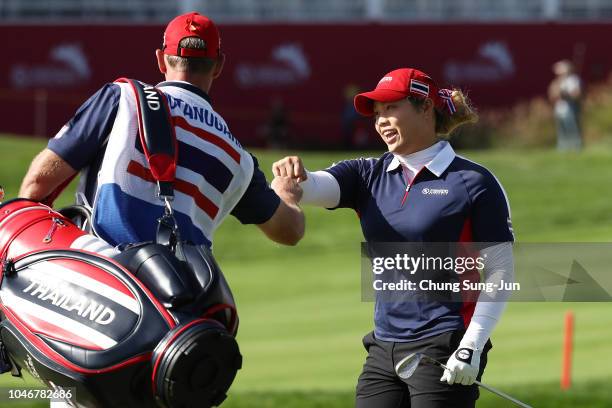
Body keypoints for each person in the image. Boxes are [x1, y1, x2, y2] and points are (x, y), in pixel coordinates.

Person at [271, 68, 514, 407]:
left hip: (445, 344)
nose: (381, 121)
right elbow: (315, 186)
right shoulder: (366, 174)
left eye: (391, 109)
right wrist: (292, 176)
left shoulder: (474, 182)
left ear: (425, 109)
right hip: (384, 347)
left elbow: (502, 271)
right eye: (377, 113)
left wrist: (472, 345)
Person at [19, 11, 304, 250]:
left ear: (160, 59)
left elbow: (36, 186)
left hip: (99, 291)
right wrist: (287, 192)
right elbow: (290, 230)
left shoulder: (122, 98)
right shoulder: (237, 158)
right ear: (218, 67)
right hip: (175, 305)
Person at [548, 59, 583, 151]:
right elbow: (552, 94)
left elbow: (576, 94)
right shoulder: (556, 82)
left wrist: (565, 94)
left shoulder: (573, 80)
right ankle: (562, 147)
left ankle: (576, 146)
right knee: (561, 129)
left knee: (572, 127)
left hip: (570, 106)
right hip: (559, 107)